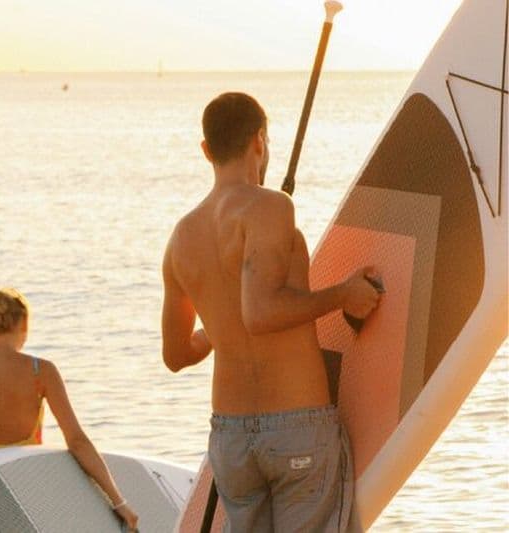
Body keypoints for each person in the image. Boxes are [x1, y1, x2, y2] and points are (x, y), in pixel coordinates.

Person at [160, 92, 380, 532]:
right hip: (296, 427)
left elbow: (177, 355)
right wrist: (343, 294)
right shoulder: (269, 205)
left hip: (231, 440)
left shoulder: (180, 238)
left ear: (206, 150)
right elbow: (259, 314)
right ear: (259, 141)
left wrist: (215, 330)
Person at [0, 288, 138, 530]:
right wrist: (118, 501)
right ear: (24, 324)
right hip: (30, 492)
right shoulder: (41, 371)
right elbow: (77, 441)